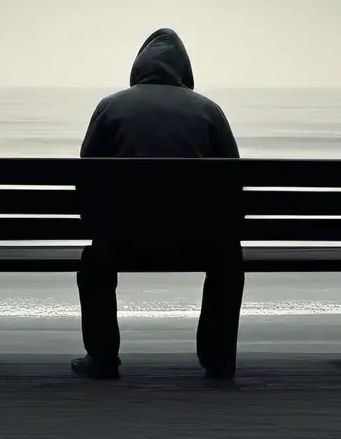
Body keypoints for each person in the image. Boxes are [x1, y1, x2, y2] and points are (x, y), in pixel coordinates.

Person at [72, 27, 244, 381]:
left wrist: (98, 223)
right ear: (185, 71)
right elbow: (233, 183)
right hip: (197, 242)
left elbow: (85, 175)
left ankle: (102, 358)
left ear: (139, 67)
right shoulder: (208, 111)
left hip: (121, 242)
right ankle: (218, 359)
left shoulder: (111, 107)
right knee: (229, 258)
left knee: (95, 262)